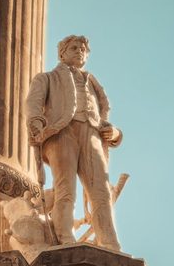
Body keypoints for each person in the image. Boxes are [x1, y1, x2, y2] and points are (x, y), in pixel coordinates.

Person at [25, 35, 122, 250]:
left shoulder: (93, 84)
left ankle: (110, 243)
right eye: (74, 48)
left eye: (83, 49)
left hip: (92, 133)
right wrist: (35, 124)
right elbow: (33, 104)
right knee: (66, 188)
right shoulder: (47, 78)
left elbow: (104, 117)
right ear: (62, 54)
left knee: (102, 191)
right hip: (62, 132)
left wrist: (115, 133)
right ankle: (65, 237)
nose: (80, 52)